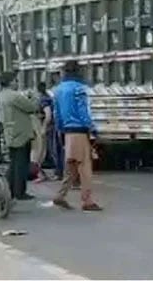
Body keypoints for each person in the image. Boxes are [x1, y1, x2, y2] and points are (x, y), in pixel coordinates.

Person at [52, 60, 101, 211]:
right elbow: (82, 111)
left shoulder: (58, 90)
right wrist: (91, 127)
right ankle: (87, 201)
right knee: (84, 168)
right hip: (79, 131)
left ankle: (60, 195)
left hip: (67, 132)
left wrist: (60, 129)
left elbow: (57, 114)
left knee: (71, 167)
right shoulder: (79, 89)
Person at [0, 72, 41, 200]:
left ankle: (10, 189)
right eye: (15, 80)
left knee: (14, 163)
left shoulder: (1, 96)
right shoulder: (15, 96)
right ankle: (20, 192)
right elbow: (32, 108)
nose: (17, 83)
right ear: (10, 82)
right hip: (21, 133)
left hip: (9, 132)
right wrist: (34, 97)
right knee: (21, 164)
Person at [30, 82, 53, 183]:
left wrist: (43, 127)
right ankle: (40, 173)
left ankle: (39, 174)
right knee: (39, 152)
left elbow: (48, 115)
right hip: (39, 126)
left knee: (38, 152)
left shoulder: (43, 100)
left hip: (39, 126)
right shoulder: (46, 98)